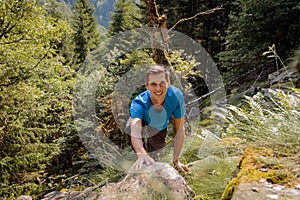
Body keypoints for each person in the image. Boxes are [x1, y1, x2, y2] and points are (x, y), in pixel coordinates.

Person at [129, 65, 190, 173]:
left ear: (168, 84)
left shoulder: (176, 97)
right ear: (147, 86)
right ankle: (136, 157)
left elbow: (179, 129)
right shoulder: (139, 102)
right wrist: (141, 152)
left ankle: (150, 159)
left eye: (162, 83)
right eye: (153, 84)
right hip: (140, 121)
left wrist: (176, 161)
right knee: (132, 132)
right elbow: (135, 126)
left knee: (156, 148)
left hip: (158, 123)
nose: (158, 88)